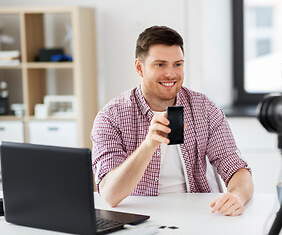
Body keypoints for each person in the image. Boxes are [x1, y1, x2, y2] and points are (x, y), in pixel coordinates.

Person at [91, 25, 254, 216]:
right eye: (160, 64)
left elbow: (237, 168)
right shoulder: (111, 116)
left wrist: (237, 197)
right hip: (140, 215)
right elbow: (110, 194)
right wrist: (149, 144)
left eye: (177, 64)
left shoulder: (204, 108)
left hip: (199, 215)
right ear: (139, 68)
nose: (171, 74)